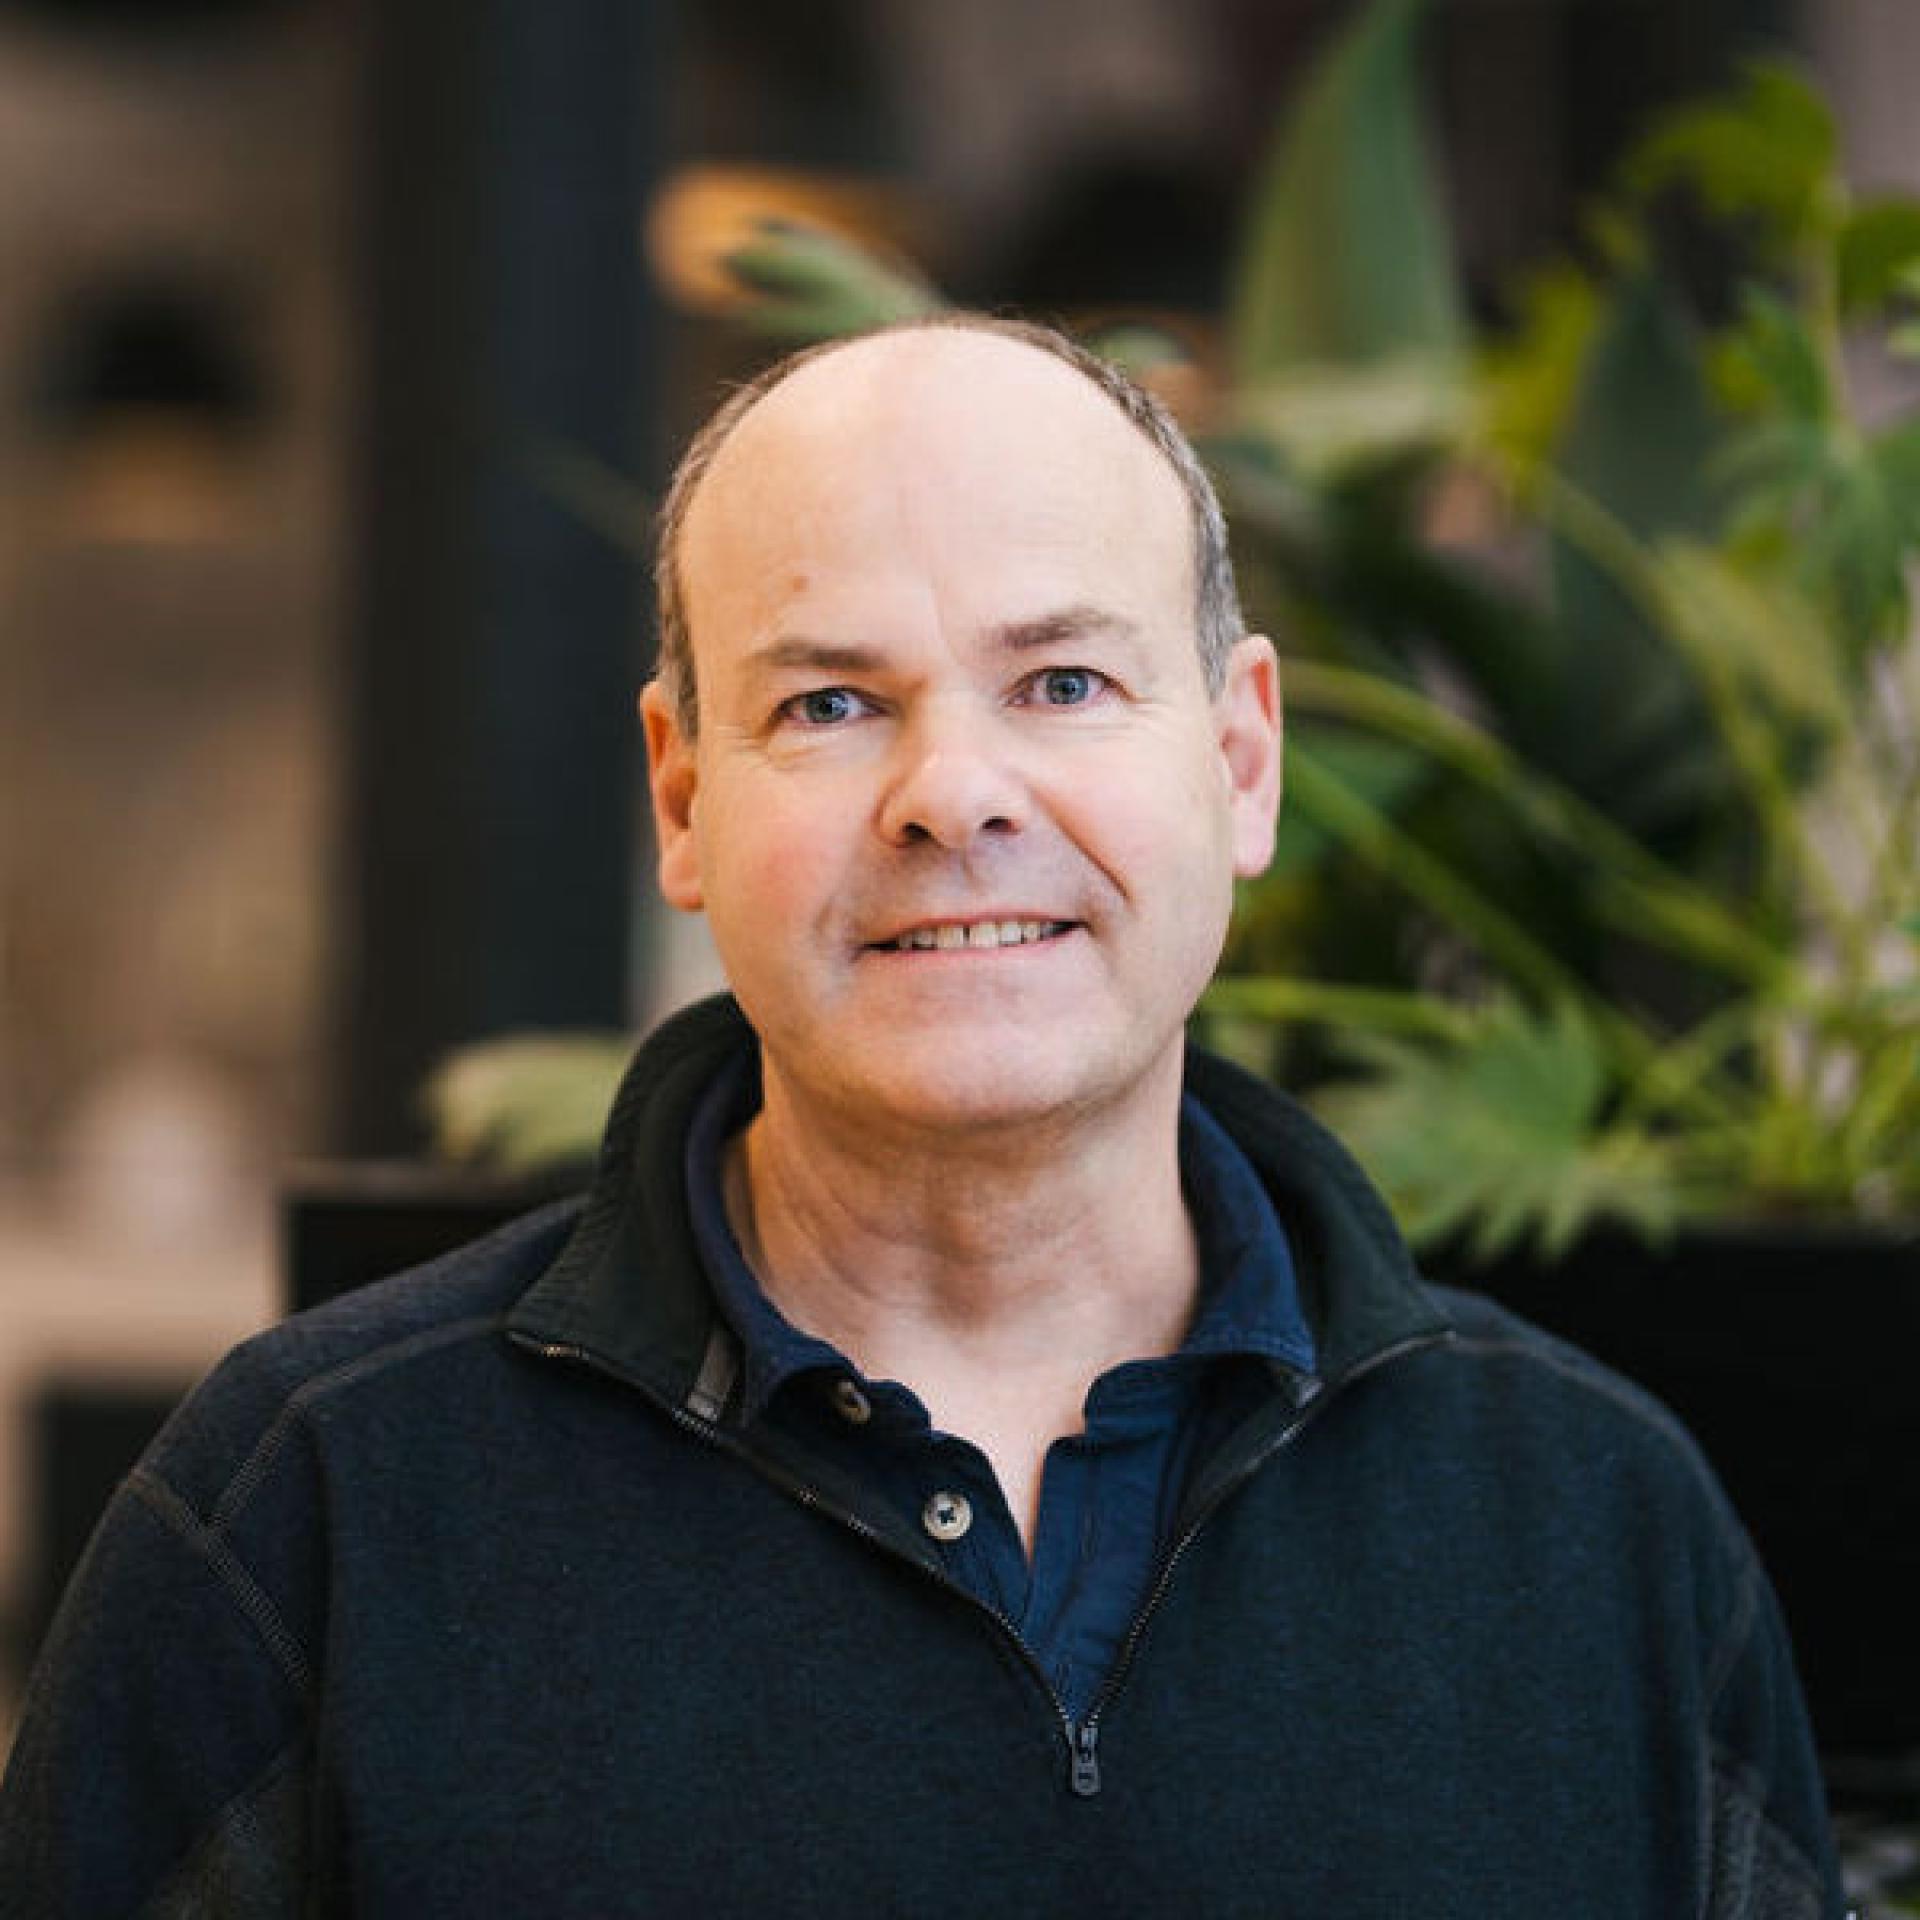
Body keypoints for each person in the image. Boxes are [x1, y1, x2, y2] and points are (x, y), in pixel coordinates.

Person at [0, 315, 1844, 1917]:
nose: (951, 792)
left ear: (1240, 759)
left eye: (1062, 681)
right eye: (828, 702)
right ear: (682, 792)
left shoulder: (1594, 1528)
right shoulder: (312, 1509)